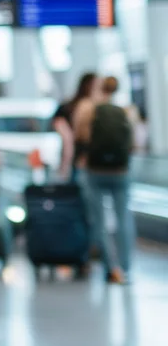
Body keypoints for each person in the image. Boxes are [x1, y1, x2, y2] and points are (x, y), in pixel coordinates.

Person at [71, 75, 141, 284]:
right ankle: (126, 267)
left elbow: (80, 137)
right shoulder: (128, 111)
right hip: (121, 171)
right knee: (123, 218)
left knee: (99, 221)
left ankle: (111, 269)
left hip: (95, 171)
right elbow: (134, 144)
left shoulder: (87, 108)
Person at [53, 72, 97, 181]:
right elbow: (68, 139)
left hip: (78, 159)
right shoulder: (88, 107)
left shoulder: (68, 106)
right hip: (84, 159)